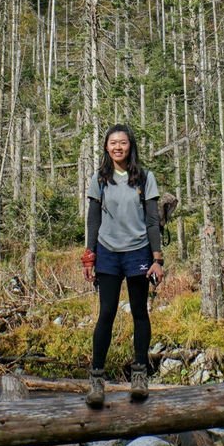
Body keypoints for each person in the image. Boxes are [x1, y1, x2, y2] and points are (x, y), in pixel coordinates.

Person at [81, 124, 164, 407]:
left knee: (140, 312)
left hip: (138, 251)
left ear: (131, 146)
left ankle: (140, 376)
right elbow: (93, 219)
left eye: (123, 143)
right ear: (106, 147)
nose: (118, 147)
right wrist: (89, 254)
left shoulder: (144, 177)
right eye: (113, 143)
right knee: (106, 313)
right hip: (107, 253)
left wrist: (157, 258)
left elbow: (153, 221)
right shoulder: (100, 179)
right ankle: (96, 381)